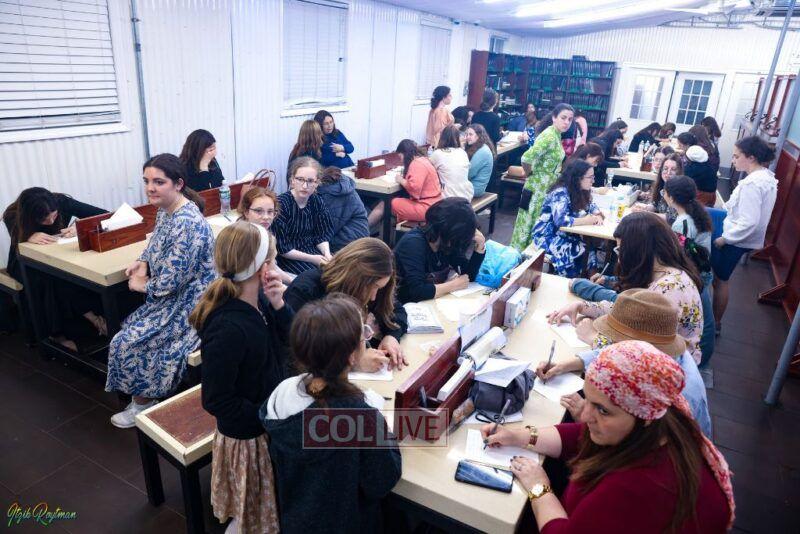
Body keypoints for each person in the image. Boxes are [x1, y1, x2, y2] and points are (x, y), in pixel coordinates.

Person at [484, 340, 734, 533]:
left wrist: (539, 488)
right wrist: (519, 436)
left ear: (644, 416)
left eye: (603, 410)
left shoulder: (633, 487)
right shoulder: (662, 419)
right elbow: (581, 435)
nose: (585, 415)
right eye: (589, 401)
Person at [262, 293, 402, 533]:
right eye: (363, 335)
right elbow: (382, 480)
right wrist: (384, 432)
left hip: (295, 520)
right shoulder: (359, 416)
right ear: (352, 356)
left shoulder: (282, 393)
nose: (366, 339)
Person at [191, 221, 290, 534]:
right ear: (262, 268)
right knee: (249, 515)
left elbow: (287, 341)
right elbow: (217, 399)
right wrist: (268, 417)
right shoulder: (228, 326)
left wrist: (279, 305)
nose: (275, 267)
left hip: (266, 422)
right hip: (249, 437)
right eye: (272, 260)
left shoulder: (259, 304)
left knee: (265, 507)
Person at [106, 154, 215, 428]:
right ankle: (142, 396)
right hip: (174, 297)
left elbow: (169, 283)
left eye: (158, 182)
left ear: (178, 184)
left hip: (192, 303)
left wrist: (142, 285)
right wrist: (142, 261)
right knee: (127, 331)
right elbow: (155, 244)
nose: (150, 188)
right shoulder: (166, 210)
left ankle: (143, 404)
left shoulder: (188, 223)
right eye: (146, 181)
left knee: (127, 341)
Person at [537, 289, 712, 438]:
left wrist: (588, 419)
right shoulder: (659, 350)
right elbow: (612, 352)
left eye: (616, 339)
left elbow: (635, 450)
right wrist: (563, 366)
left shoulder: (676, 397)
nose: (612, 343)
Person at [557, 211, 704, 363]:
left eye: (620, 249)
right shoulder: (667, 275)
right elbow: (629, 312)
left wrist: (593, 337)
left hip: (671, 369)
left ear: (638, 250)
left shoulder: (667, 291)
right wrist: (583, 306)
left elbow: (638, 357)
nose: (619, 258)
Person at [2, 187, 107, 350]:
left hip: (57, 256)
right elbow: (19, 243)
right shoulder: (13, 215)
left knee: (74, 272)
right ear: (29, 216)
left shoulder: (62, 202)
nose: (51, 222)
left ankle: (95, 319)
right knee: (49, 278)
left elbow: (104, 215)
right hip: (24, 263)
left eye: (54, 215)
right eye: (44, 220)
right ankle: (58, 335)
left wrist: (80, 227)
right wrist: (28, 236)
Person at [284, 238, 409, 372]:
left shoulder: (368, 287)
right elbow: (296, 352)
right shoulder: (306, 290)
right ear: (356, 278)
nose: (374, 297)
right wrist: (353, 363)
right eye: (374, 287)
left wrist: (391, 336)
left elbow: (396, 310)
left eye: (379, 288)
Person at [713, 136, 777, 335]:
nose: (732, 160)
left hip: (735, 239)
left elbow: (749, 221)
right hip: (739, 234)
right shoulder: (765, 177)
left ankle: (714, 324)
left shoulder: (752, 184)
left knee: (721, 279)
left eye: (736, 156)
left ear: (751, 157)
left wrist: (725, 239)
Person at [664, 175, 715, 366]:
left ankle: (699, 358)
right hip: (702, 271)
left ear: (670, 197)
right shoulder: (697, 214)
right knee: (704, 313)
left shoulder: (682, 222)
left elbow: (679, 256)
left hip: (695, 274)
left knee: (701, 316)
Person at [393, 198, 485, 303]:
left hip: (429, 301)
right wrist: (453, 285)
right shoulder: (413, 244)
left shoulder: (447, 242)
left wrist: (480, 248)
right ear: (450, 232)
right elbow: (417, 291)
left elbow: (468, 277)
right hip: (404, 303)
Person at [510, 103, 575, 251]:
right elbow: (526, 158)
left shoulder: (556, 134)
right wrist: (530, 174)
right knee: (527, 226)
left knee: (535, 226)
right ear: (554, 118)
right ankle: (518, 259)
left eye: (570, 119)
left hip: (544, 189)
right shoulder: (549, 136)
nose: (566, 122)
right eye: (563, 118)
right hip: (536, 189)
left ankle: (528, 259)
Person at [532, 160, 604, 277]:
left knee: (590, 249)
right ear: (578, 178)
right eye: (590, 177)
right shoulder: (560, 193)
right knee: (581, 249)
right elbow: (560, 221)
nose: (593, 180)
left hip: (564, 233)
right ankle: (569, 280)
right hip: (547, 235)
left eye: (593, 177)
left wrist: (598, 215)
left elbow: (591, 206)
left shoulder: (580, 190)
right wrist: (586, 220)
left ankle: (591, 280)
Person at [273, 157, 334, 275]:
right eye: (300, 179)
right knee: (317, 277)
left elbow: (322, 235)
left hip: (313, 252)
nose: (305, 186)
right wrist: (312, 259)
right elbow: (282, 248)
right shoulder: (281, 205)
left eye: (310, 181)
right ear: (292, 180)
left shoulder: (316, 201)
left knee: (339, 271)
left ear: (317, 183)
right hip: (289, 258)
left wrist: (327, 254)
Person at [367, 139, 442, 226]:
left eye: (400, 157)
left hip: (426, 207)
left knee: (387, 203)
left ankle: (363, 229)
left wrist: (400, 180)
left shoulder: (416, 164)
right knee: (391, 201)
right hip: (434, 204)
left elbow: (414, 190)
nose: (401, 161)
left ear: (405, 154)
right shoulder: (423, 160)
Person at [237, 187, 295, 285]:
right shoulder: (241, 239)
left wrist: (292, 281)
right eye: (258, 211)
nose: (266, 217)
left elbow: (272, 267)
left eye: (270, 211)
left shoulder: (267, 235)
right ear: (246, 212)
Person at [316, 166, 369, 253]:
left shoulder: (329, 194)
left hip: (348, 246)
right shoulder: (343, 187)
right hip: (360, 240)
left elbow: (326, 230)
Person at [632, 153, 683, 223]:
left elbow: (671, 219)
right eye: (665, 168)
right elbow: (655, 205)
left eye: (673, 169)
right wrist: (644, 209)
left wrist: (647, 214)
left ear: (679, 172)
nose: (668, 172)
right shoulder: (662, 185)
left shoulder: (680, 190)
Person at [430, 125, 473, 201]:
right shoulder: (462, 152)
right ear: (457, 138)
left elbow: (427, 169)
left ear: (442, 137)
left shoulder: (438, 153)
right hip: (466, 196)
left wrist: (436, 146)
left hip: (447, 198)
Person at [464, 123, 496, 197]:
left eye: (470, 134)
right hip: (470, 185)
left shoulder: (483, 151)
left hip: (475, 189)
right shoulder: (477, 147)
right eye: (466, 134)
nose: (467, 137)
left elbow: (469, 173)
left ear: (478, 136)